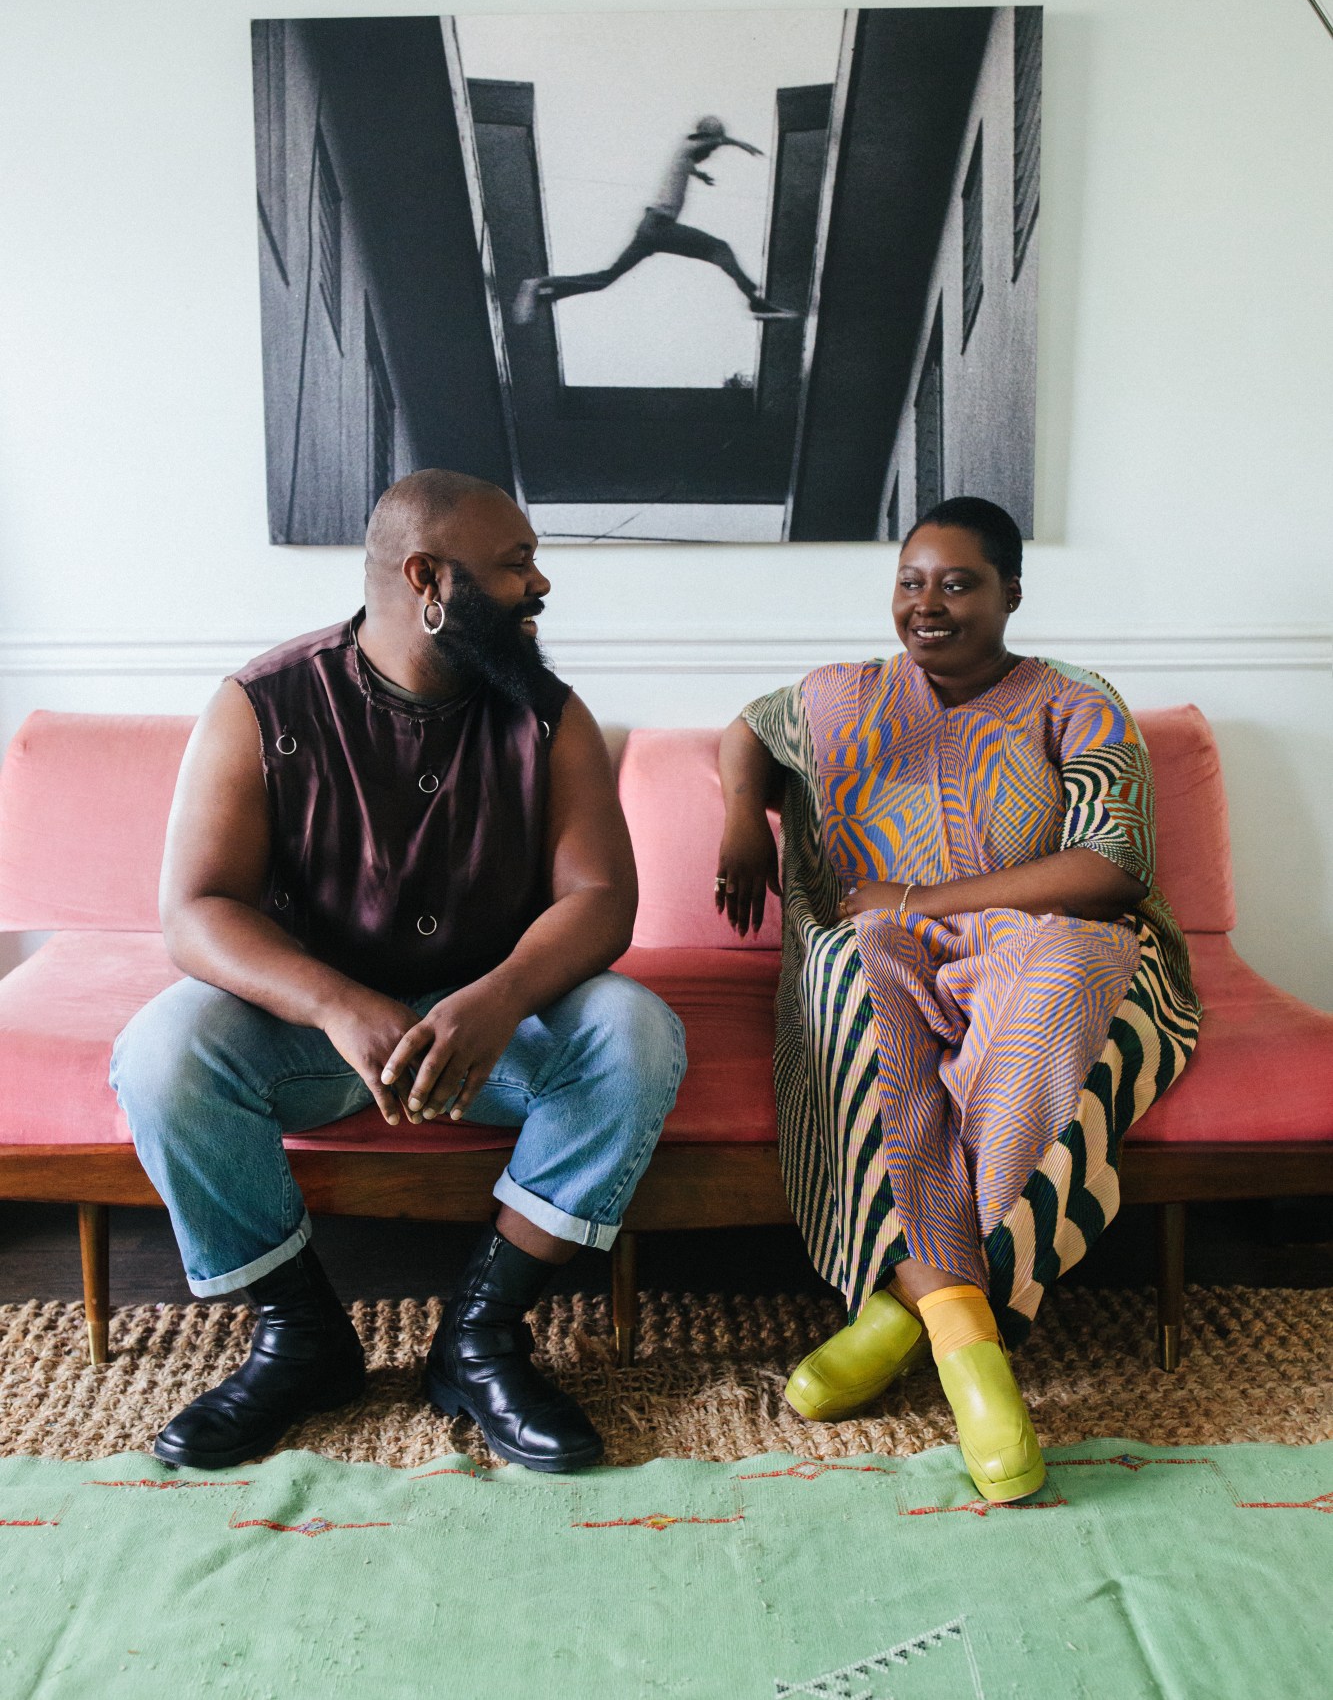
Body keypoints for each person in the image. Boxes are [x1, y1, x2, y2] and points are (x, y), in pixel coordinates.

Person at [111, 470, 686, 1474]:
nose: (538, 584)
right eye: (515, 565)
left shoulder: (551, 715)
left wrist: (499, 997)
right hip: (315, 1033)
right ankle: (302, 1339)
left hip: (499, 1029)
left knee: (636, 1031)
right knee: (161, 1052)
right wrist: (337, 1003)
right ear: (428, 578)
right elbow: (195, 911)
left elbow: (601, 898)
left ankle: (481, 1339)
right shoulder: (261, 703)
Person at [713, 497, 1199, 1503]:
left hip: (1045, 934)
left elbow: (1110, 864)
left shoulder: (1073, 699)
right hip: (886, 937)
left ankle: (921, 1310)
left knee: (1061, 995)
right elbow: (747, 730)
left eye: (957, 582)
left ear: (1011, 593)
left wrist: (924, 896)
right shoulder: (841, 695)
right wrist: (740, 825)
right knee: (848, 986)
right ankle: (966, 1339)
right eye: (909, 581)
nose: (925, 605)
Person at [512, 115, 798, 324]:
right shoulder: (689, 143)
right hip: (660, 227)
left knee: (605, 279)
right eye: (708, 150)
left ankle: (541, 289)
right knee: (718, 248)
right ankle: (756, 302)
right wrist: (736, 143)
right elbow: (707, 142)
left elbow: (687, 164)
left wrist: (699, 175)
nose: (708, 155)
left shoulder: (684, 158)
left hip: (649, 231)